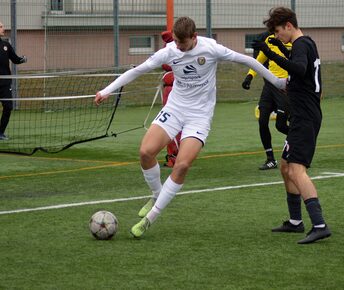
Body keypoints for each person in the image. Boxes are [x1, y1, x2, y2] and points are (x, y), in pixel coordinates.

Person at [95, 16, 287, 238]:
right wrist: (107, 90)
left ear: (194, 38)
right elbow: (138, 70)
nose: (177, 46)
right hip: (175, 109)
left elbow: (248, 61)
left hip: (200, 116)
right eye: (175, 41)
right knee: (145, 152)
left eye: (181, 43)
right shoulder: (170, 51)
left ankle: (150, 218)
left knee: (182, 165)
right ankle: (157, 194)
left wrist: (279, 82)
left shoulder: (211, 49)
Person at [252, 7, 331, 244]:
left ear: (288, 25)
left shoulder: (301, 45)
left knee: (297, 170)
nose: (277, 36)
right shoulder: (305, 44)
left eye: (277, 31)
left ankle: (320, 224)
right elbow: (299, 76)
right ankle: (296, 221)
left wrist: (269, 52)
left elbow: (298, 68)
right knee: (285, 167)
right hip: (301, 115)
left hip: (306, 117)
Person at [242, 31, 291, 170]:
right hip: (269, 86)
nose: (276, 33)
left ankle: (301, 143)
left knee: (281, 126)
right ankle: (270, 159)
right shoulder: (270, 39)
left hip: (285, 87)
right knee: (262, 121)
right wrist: (249, 76)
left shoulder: (294, 41)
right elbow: (260, 60)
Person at [0, 21, 27, 140]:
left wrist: (23, 59)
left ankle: (0, 133)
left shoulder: (6, 45)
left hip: (5, 83)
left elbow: (15, 59)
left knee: (8, 107)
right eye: (0, 27)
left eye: (2, 26)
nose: (3, 29)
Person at [160, 30, 181, 168]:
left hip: (173, 91)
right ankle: (177, 155)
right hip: (173, 89)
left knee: (171, 124)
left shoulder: (171, 50)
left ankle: (175, 157)